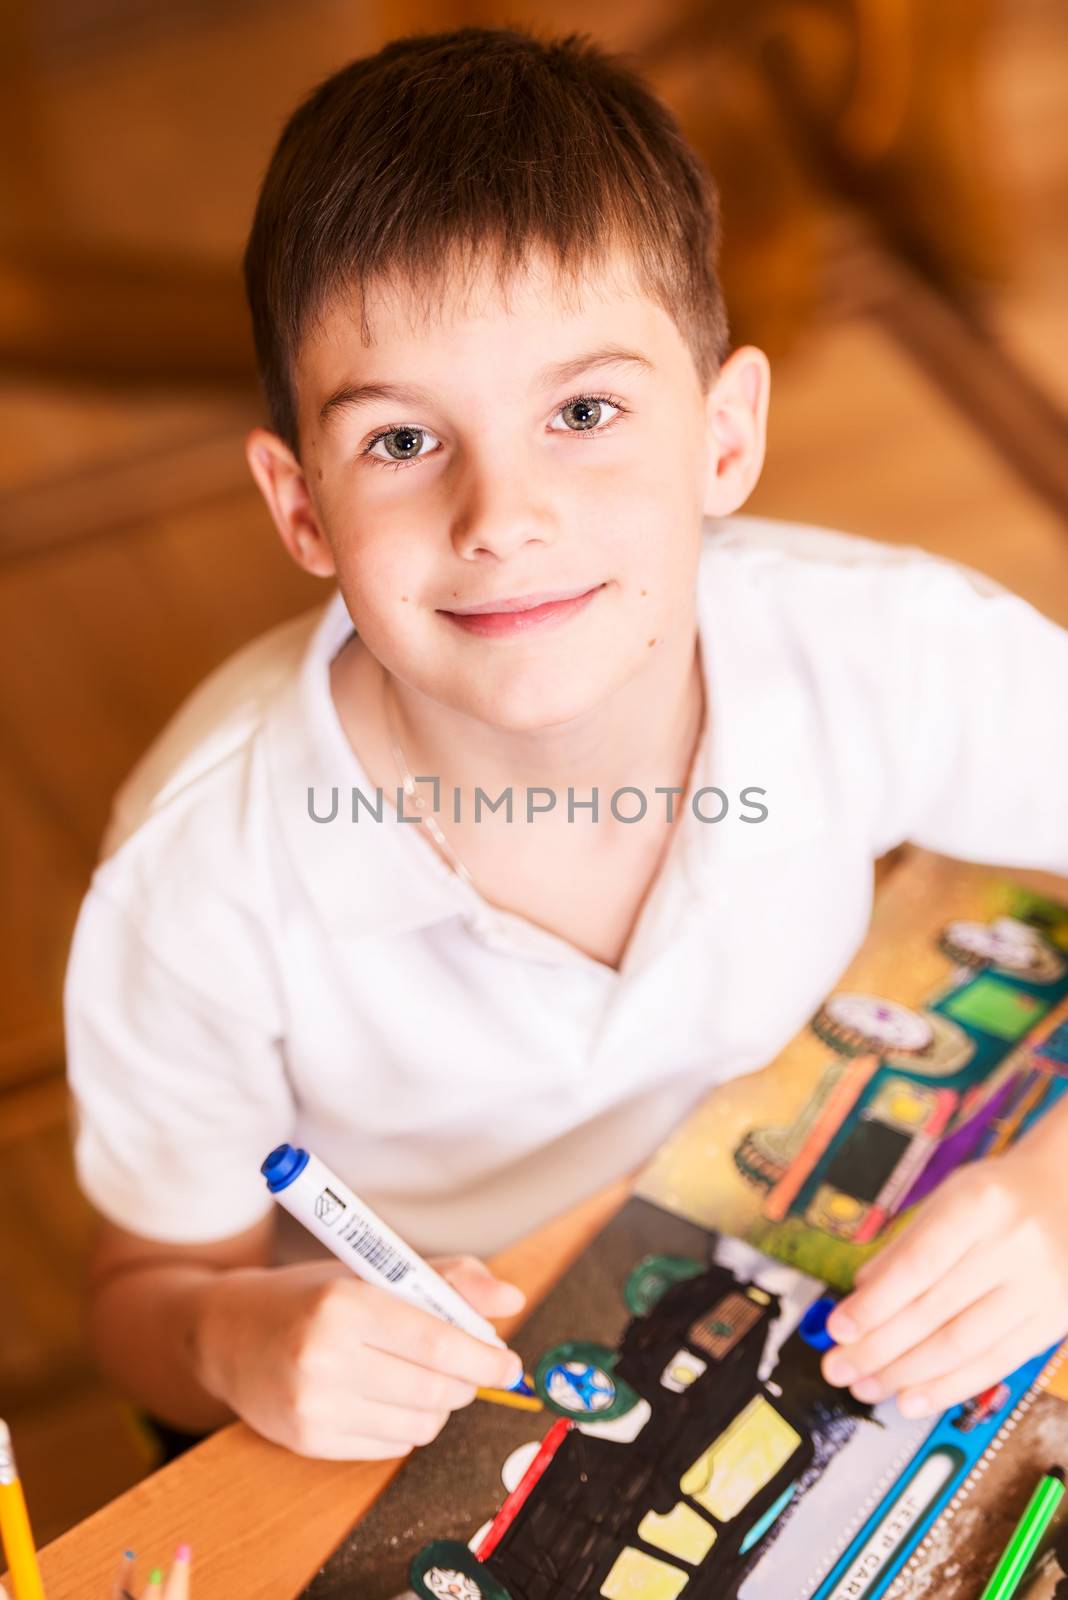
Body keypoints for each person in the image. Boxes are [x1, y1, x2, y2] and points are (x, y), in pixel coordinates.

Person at [63, 24, 1068, 1464]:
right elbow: (142, 1297)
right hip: (438, 1405)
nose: (502, 516)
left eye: (584, 413)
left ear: (724, 439)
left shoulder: (874, 651)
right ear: (300, 508)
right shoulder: (195, 880)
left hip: (802, 1272)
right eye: (404, 443)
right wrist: (235, 1338)